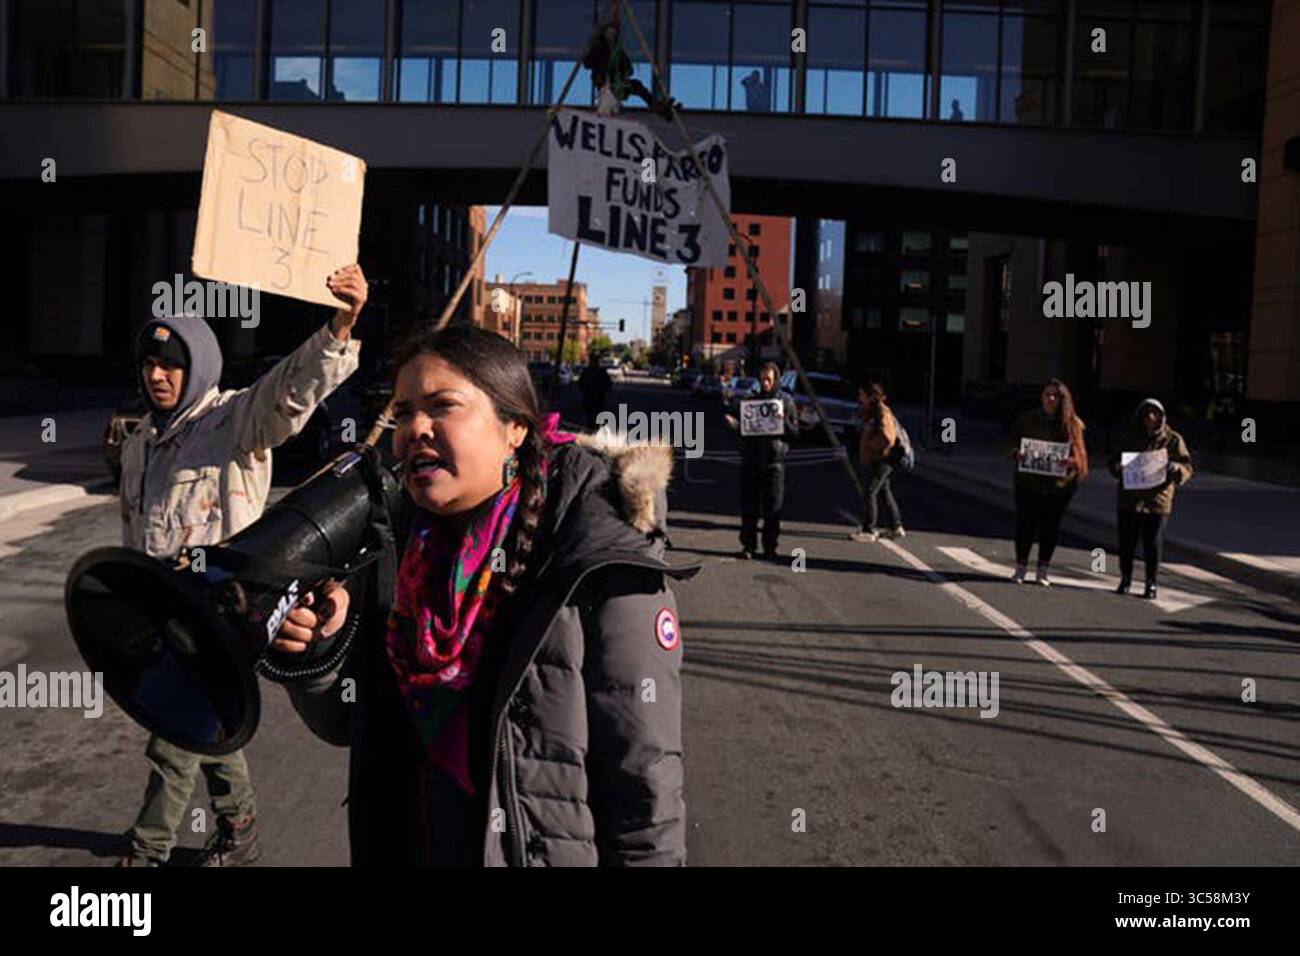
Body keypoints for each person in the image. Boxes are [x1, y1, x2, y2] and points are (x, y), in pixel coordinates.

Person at [273, 326, 696, 866]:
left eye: (442, 406)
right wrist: (317, 654)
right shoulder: (390, 547)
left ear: (515, 426)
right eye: (402, 413)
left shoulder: (596, 553)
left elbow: (644, 781)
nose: (414, 429)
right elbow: (345, 722)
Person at [117, 265, 367, 866]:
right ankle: (241, 824)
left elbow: (290, 389)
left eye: (171, 363)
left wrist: (341, 324)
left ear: (197, 365)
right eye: (150, 364)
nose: (158, 375)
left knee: (175, 734)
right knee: (213, 724)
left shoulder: (233, 422)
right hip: (166, 609)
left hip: (225, 609)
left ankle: (146, 854)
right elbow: (133, 527)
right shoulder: (137, 444)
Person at [1107, 398, 1193, 599]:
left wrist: (1173, 468)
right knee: (1126, 542)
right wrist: (1118, 468)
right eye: (1146, 414)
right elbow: (1113, 461)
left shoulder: (1173, 440)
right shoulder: (1130, 436)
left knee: (1153, 544)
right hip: (1129, 500)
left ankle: (1151, 583)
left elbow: (1187, 468)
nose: (1150, 418)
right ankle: (1126, 579)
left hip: (1157, 501)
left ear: (1161, 417)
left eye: (1155, 414)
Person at [1007, 379, 1088, 586]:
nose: (1051, 399)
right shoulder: (1027, 420)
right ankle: (1021, 566)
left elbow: (1081, 458)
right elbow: (1010, 443)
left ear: (1063, 399)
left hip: (1058, 487)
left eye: (1055, 395)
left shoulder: (1072, 424)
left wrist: (1068, 461)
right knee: (1025, 525)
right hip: (1028, 483)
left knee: (1050, 528)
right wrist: (1017, 454)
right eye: (1047, 395)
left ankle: (1043, 568)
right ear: (1042, 397)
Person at [725, 361, 797, 560]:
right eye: (762, 379)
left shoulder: (786, 402)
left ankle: (770, 547)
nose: (765, 383)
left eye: (769, 380)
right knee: (749, 508)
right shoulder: (751, 401)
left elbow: (795, 433)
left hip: (774, 464)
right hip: (751, 461)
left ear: (776, 380)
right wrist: (735, 425)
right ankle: (748, 545)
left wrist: (783, 422)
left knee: (772, 509)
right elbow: (746, 430)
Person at [849, 380, 904, 542]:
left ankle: (869, 529)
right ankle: (895, 526)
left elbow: (888, 438)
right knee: (884, 491)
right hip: (877, 459)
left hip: (882, 459)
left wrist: (873, 446)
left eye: (862, 394)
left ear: (871, 395)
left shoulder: (881, 412)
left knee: (870, 492)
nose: (860, 397)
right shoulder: (871, 411)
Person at [578, 352, 613, 428]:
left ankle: (594, 427)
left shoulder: (597, 371)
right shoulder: (589, 371)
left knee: (594, 415)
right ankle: (592, 427)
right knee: (591, 415)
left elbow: (608, 384)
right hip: (591, 397)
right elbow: (580, 383)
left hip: (596, 397)